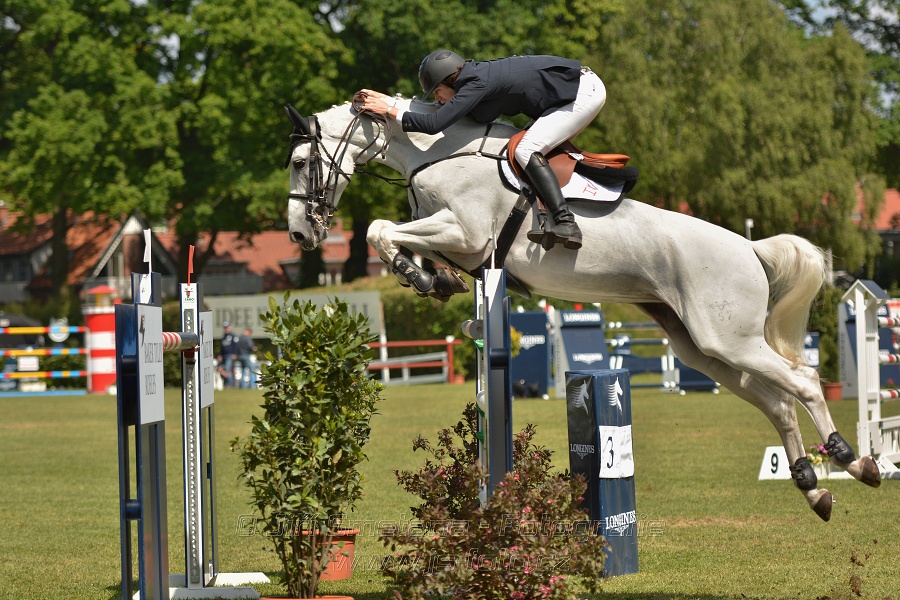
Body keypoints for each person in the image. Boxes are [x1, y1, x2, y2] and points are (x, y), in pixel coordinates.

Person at [360, 50, 607, 250]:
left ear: (450, 80)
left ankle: (566, 222)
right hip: (572, 90)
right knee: (524, 146)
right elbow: (450, 113)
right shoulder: (473, 79)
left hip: (582, 93)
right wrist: (389, 101)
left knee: (525, 149)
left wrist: (388, 110)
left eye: (437, 91)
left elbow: (433, 124)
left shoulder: (476, 83)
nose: (437, 99)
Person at [217, 322, 238, 388]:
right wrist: (220, 355)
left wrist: (235, 354)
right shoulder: (224, 336)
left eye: (227, 327)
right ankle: (227, 383)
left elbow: (235, 346)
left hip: (230, 355)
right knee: (223, 369)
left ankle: (230, 384)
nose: (226, 329)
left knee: (228, 369)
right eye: (225, 328)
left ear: (230, 328)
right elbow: (222, 347)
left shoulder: (233, 336)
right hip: (224, 356)